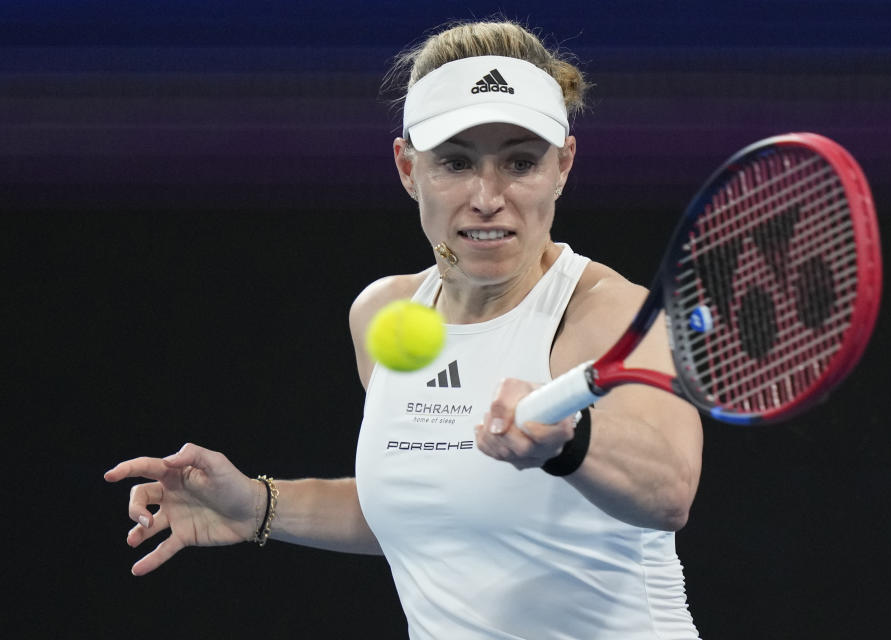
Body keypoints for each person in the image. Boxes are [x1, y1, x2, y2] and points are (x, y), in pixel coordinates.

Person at [104, 20, 703, 639]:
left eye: (520, 162)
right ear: (407, 169)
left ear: (563, 166)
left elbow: (669, 493)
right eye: (456, 162)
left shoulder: (610, 311)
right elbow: (428, 511)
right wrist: (258, 505)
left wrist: (567, 444)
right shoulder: (382, 314)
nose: (488, 196)